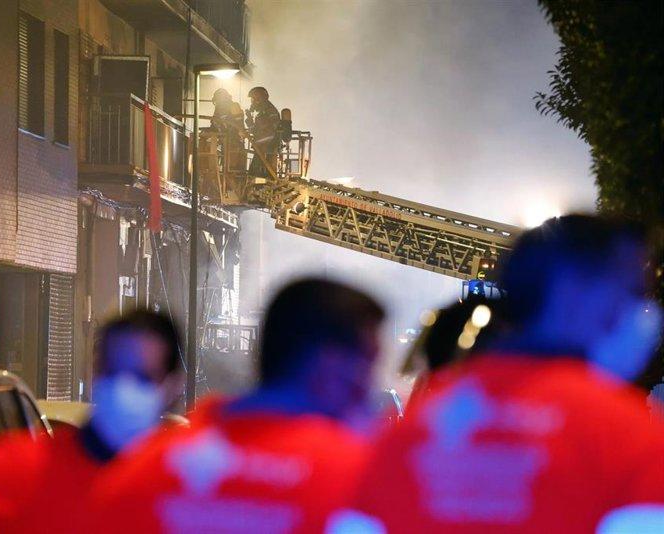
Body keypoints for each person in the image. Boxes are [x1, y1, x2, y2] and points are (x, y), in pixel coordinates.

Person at [332, 214, 664, 533]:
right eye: (634, 291)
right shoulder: (630, 438)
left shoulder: (410, 431)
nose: (645, 313)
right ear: (572, 290)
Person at [92, 278, 386, 533]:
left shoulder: (144, 470)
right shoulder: (357, 480)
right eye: (369, 365)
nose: (367, 388)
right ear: (331, 366)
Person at [0, 310, 184, 534]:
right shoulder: (22, 469)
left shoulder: (194, 488)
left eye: (143, 376)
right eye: (114, 370)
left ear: (174, 385)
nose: (124, 388)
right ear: (95, 370)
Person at [245, 86, 280, 178]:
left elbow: (269, 133)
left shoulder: (270, 111)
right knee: (253, 173)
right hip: (262, 149)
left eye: (252, 99)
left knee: (254, 174)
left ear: (258, 99)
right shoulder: (263, 113)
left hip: (266, 149)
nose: (252, 102)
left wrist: (256, 141)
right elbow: (256, 131)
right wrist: (249, 120)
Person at [209, 88, 246, 172]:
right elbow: (214, 126)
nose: (217, 103)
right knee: (225, 167)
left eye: (218, 100)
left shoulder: (234, 106)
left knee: (232, 169)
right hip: (224, 143)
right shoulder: (218, 110)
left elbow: (239, 125)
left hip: (234, 143)